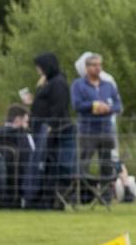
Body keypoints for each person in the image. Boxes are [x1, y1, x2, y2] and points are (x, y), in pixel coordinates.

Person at [29, 51, 76, 204]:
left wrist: (50, 126)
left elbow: (59, 107)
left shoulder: (58, 83)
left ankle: (52, 197)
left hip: (53, 130)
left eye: (39, 67)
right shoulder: (49, 81)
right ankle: (43, 196)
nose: (38, 70)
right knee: (45, 163)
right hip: (43, 128)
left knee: (51, 163)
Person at [72, 53, 123, 196]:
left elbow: (118, 105)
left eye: (100, 65)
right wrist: (93, 106)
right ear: (87, 67)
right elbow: (77, 105)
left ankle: (105, 196)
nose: (97, 68)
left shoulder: (108, 85)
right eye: (94, 65)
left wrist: (108, 108)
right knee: (84, 163)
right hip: (88, 131)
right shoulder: (78, 85)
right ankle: (81, 195)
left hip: (106, 130)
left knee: (106, 165)